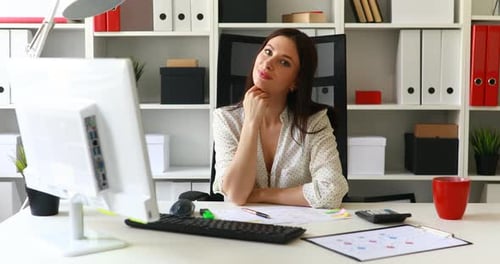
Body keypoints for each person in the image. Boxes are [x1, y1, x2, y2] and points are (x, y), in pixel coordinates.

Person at [212, 28, 348, 209]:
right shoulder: (226, 119)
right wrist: (251, 122)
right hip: (241, 229)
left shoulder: (315, 122)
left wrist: (261, 194)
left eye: (284, 62)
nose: (268, 63)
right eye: (268, 52)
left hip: (301, 229)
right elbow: (237, 195)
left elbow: (331, 192)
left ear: (296, 81)